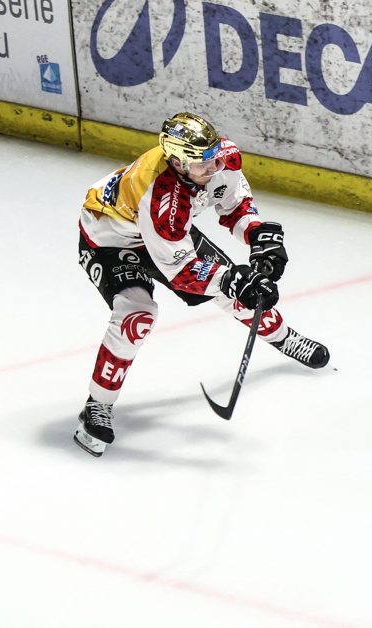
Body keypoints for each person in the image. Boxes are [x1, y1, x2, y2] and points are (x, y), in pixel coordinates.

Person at [74, 112, 329, 456]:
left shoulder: (220, 159)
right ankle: (97, 404)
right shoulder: (160, 195)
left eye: (213, 158)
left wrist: (257, 235)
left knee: (238, 292)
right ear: (177, 162)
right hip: (110, 241)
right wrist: (230, 279)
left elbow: (235, 206)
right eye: (202, 164)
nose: (213, 167)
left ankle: (284, 338)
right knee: (137, 316)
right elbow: (182, 272)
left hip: (167, 234)